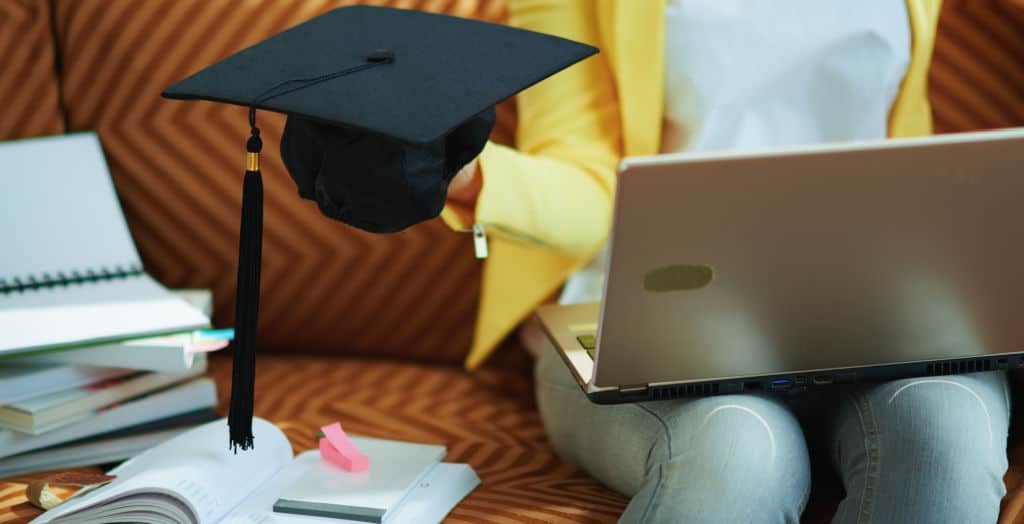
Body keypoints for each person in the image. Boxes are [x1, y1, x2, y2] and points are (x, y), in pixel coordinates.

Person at [443, 1, 1010, 522]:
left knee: (947, 434)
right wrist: (470, 178)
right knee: (739, 447)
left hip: (881, 308)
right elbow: (587, 174)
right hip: (648, 320)